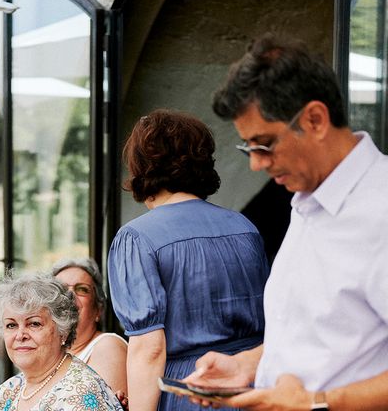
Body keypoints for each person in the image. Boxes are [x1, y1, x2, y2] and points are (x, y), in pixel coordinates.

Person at [184, 33, 388, 410]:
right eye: (248, 147)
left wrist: (318, 403)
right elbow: (324, 336)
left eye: (264, 144)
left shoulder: (380, 208)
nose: (256, 164)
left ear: (314, 119)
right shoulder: (305, 200)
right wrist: (246, 364)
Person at [107, 109, 270, 411]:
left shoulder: (137, 238)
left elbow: (148, 349)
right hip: (252, 387)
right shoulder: (244, 228)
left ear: (141, 166)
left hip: (188, 392)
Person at [0, 273, 124, 411]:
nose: (20, 335)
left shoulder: (80, 392)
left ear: (62, 330)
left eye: (34, 324)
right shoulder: (7, 391)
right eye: (11, 325)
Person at [52, 257, 128, 394]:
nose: (70, 295)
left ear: (98, 309)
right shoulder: (52, 354)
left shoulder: (108, 346)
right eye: (61, 290)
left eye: (82, 289)